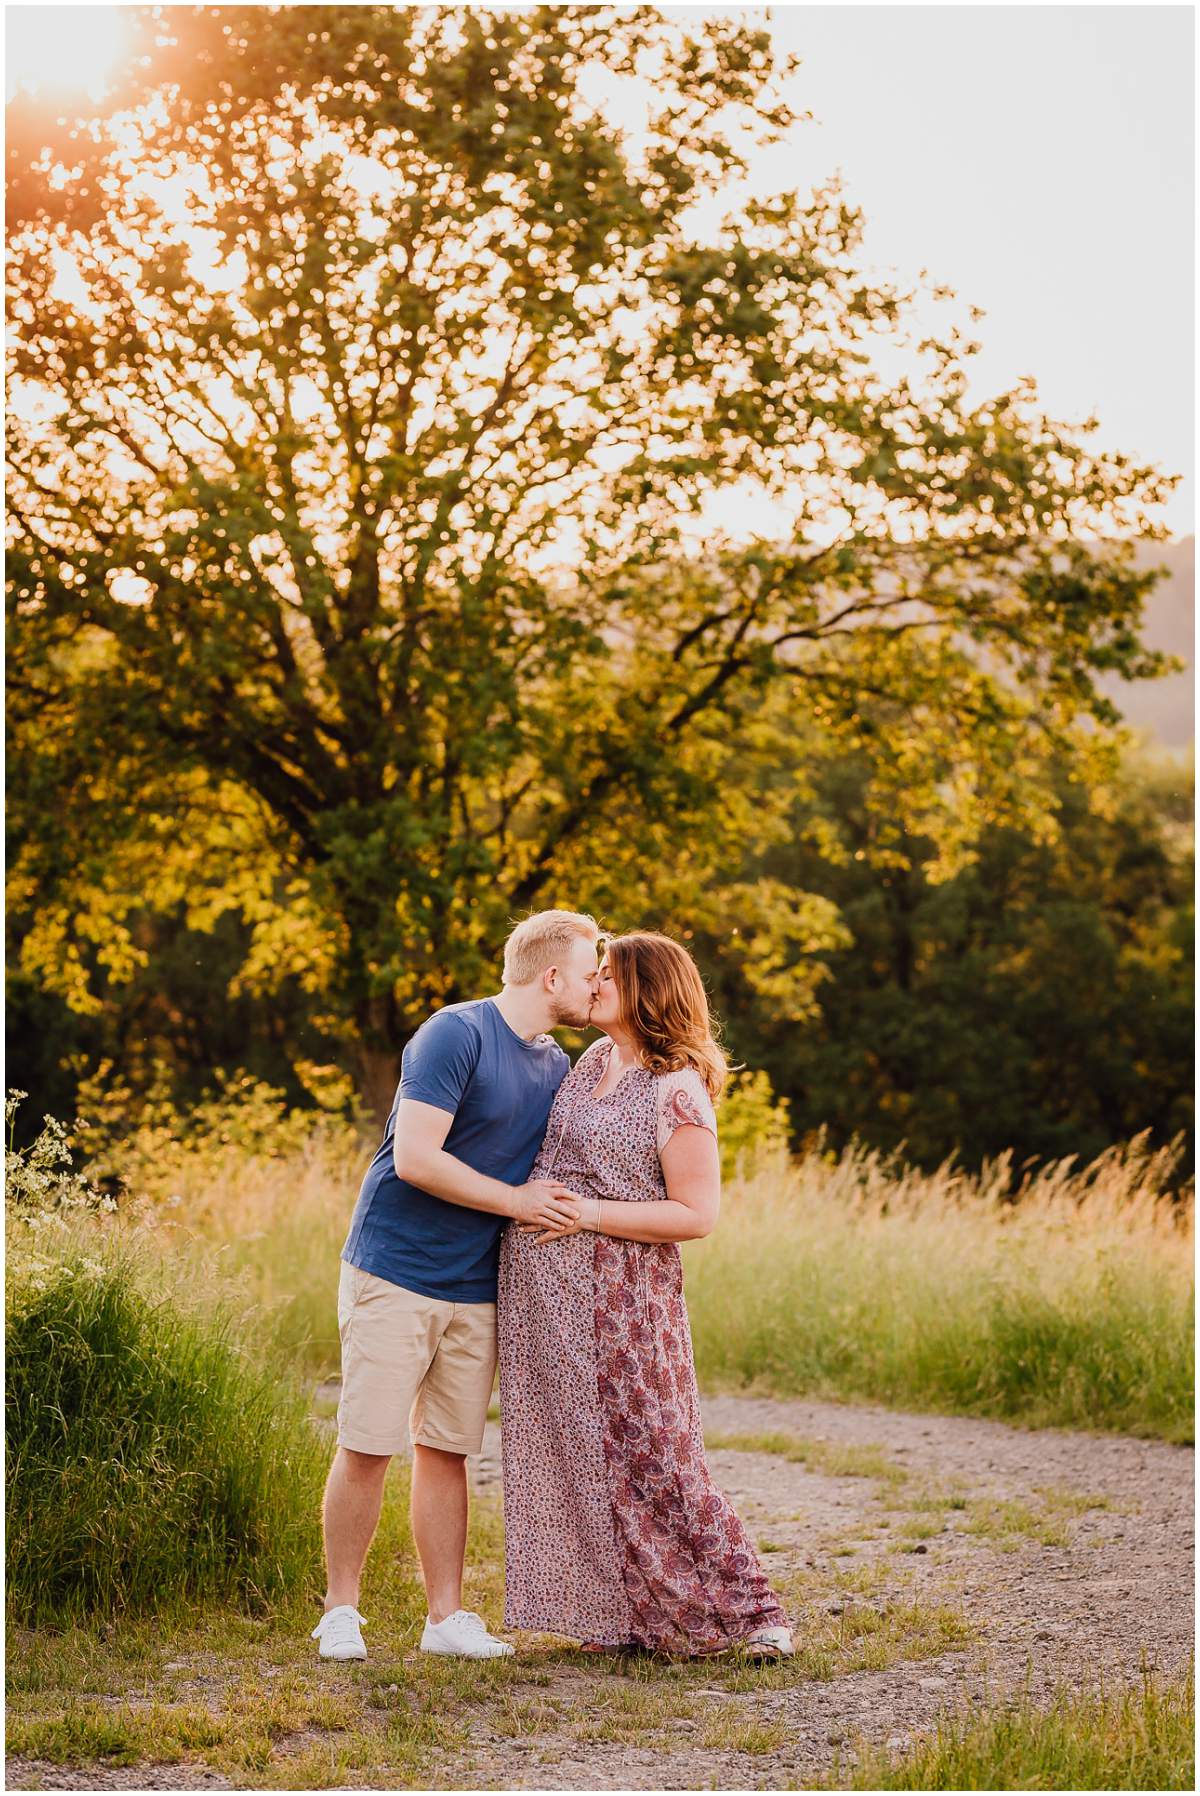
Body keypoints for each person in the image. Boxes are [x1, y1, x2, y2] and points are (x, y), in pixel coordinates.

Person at [312, 909, 601, 1663]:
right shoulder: (455, 1032)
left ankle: (445, 1620)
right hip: (395, 1269)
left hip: (477, 1284)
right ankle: (341, 1611)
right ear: (550, 976)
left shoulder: (555, 1065)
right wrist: (516, 1204)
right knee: (369, 1443)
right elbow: (415, 1157)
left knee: (447, 1451)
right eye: (590, 968)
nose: (597, 981)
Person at [497, 931, 793, 1660]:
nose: (592, 985)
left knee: (659, 1454)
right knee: (583, 1459)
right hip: (550, 1303)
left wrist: (587, 1217)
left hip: (627, 1304)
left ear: (646, 990)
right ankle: (632, 1616)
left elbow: (697, 1215)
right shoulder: (591, 1060)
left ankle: (755, 1614)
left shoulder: (677, 1088)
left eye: (607, 976)